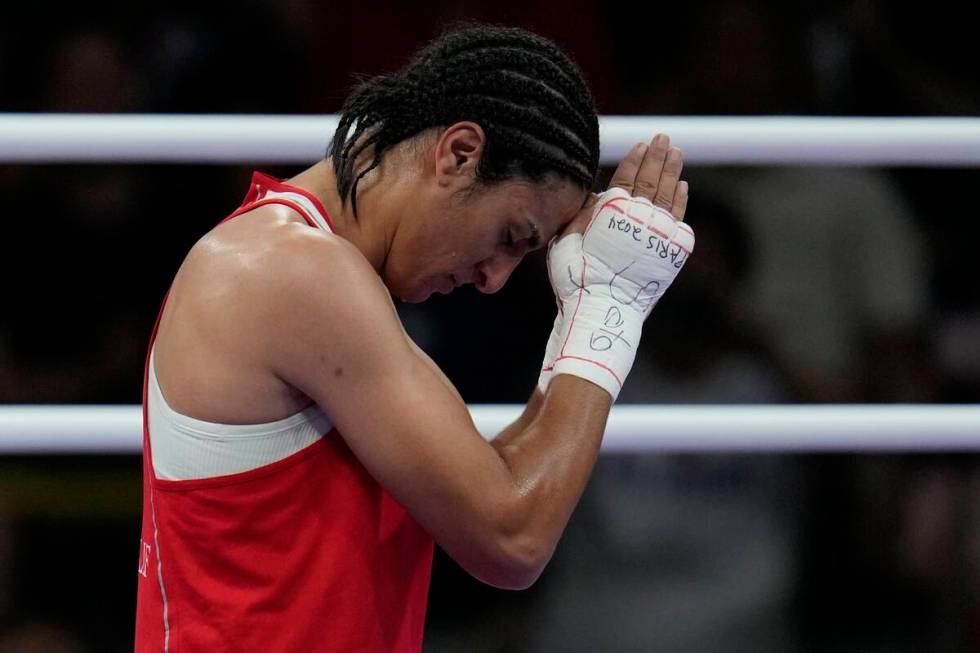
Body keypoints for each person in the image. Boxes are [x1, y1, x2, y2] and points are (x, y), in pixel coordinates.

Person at [135, 25, 694, 652]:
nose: (494, 280)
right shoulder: (291, 273)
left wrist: (580, 314)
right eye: (512, 235)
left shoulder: (324, 277)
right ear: (458, 153)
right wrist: (609, 308)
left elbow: (493, 483)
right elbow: (513, 540)